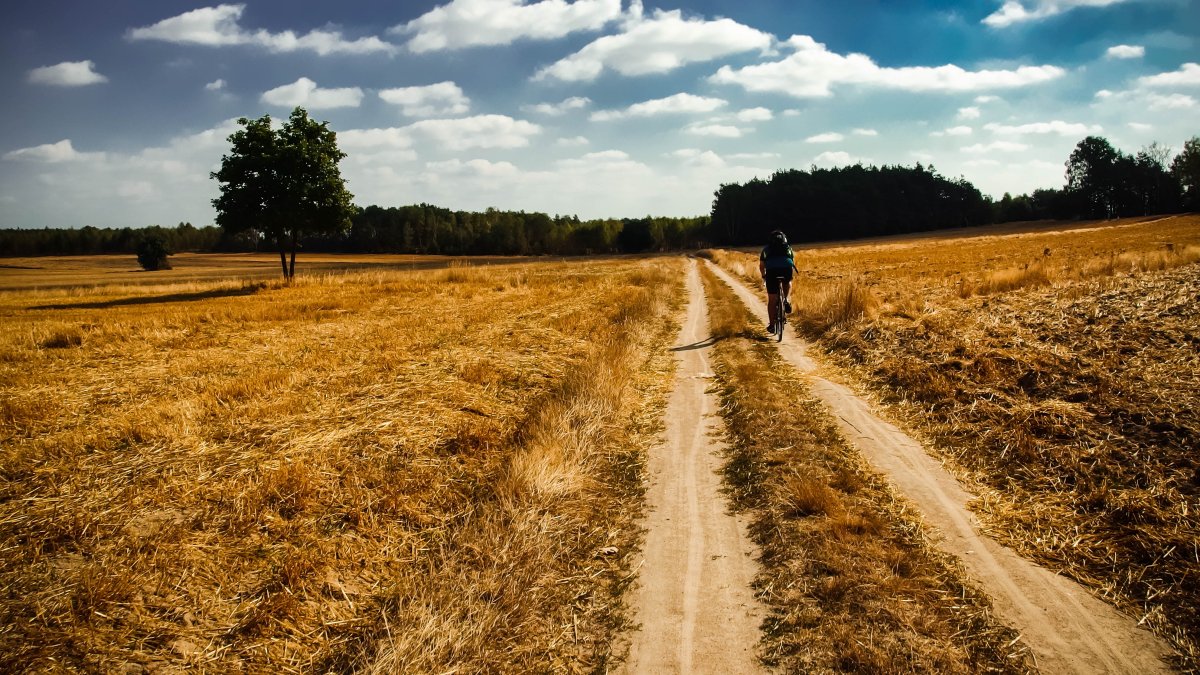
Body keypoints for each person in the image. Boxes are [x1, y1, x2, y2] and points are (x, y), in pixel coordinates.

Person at [758, 230, 796, 332]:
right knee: (788, 282)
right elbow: (792, 262)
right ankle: (786, 299)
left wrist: (764, 276)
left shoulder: (766, 249)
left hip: (772, 271)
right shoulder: (788, 248)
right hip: (786, 269)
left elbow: (761, 266)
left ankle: (772, 325)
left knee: (772, 299)